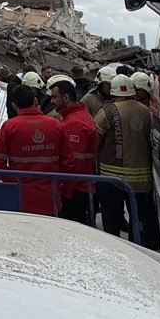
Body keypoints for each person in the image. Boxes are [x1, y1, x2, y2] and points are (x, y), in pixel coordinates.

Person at [94, 74, 160, 250]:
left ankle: (114, 249)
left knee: (111, 217)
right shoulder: (147, 111)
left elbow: (94, 139)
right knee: (138, 218)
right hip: (142, 178)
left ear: (113, 92)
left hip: (111, 178)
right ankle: (138, 248)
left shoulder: (107, 112)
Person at [0, 83, 65, 215]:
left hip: (20, 195)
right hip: (50, 195)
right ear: (35, 101)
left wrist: (13, 180)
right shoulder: (56, 125)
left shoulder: (9, 127)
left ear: (14, 105)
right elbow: (66, 158)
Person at [49, 74, 98, 225]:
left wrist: (65, 190)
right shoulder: (79, 116)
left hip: (74, 190)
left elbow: (73, 163)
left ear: (65, 98)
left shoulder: (74, 124)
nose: (51, 101)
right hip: (81, 186)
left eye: (54, 97)